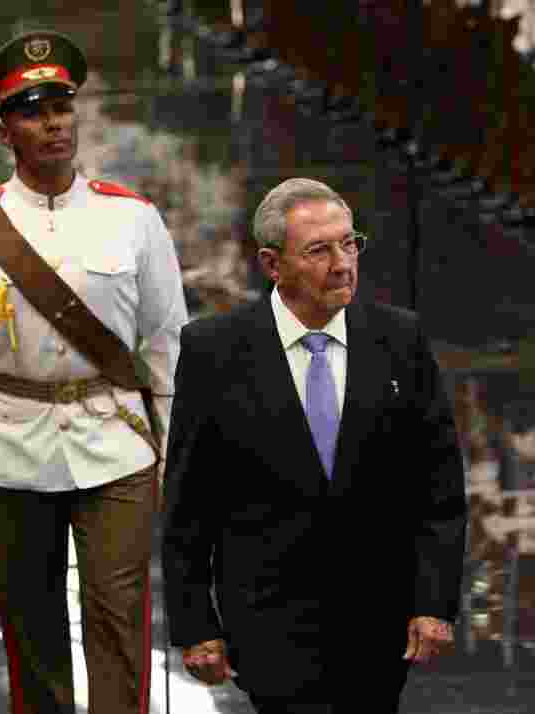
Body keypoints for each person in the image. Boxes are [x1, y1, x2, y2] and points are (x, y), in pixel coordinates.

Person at [0, 31, 188, 714]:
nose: (53, 124)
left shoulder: (133, 218)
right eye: (33, 111)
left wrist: (180, 453)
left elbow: (167, 344)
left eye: (61, 107)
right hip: (13, 445)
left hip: (116, 438)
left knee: (119, 614)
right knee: (29, 622)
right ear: (5, 129)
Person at [161, 177, 468, 713]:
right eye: (319, 250)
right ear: (272, 265)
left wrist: (435, 602)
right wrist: (194, 624)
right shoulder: (215, 351)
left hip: (380, 620)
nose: (343, 263)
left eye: (350, 244)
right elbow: (189, 503)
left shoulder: (400, 339)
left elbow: (438, 486)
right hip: (268, 621)